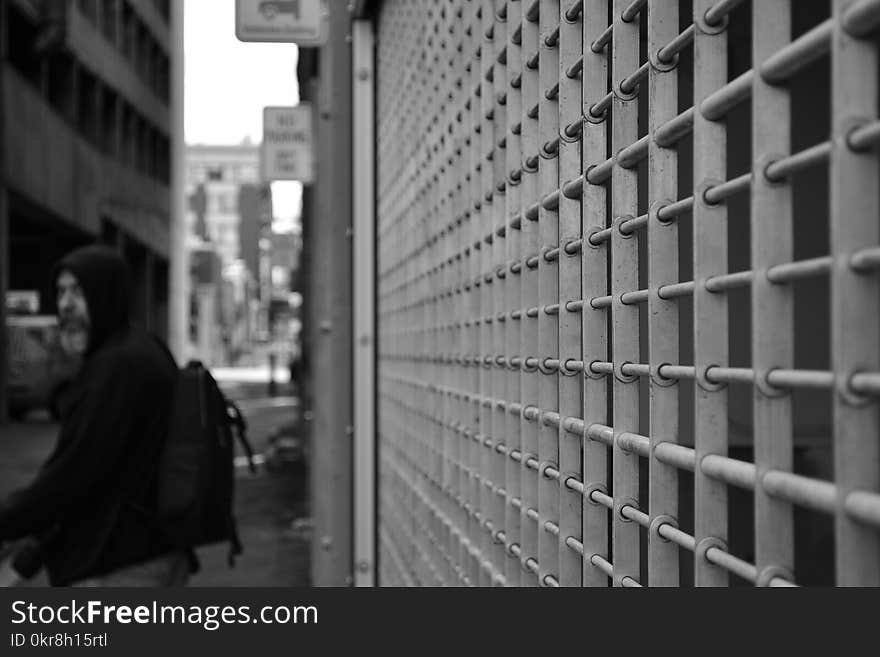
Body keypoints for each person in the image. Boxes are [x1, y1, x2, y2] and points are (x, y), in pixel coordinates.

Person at [0, 245, 189, 587]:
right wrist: (31, 554)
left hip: (122, 567)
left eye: (78, 291)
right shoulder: (140, 349)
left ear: (106, 294)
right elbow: (97, 478)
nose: (65, 305)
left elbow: (71, 476)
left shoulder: (118, 368)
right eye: (60, 292)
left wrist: (10, 520)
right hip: (144, 555)